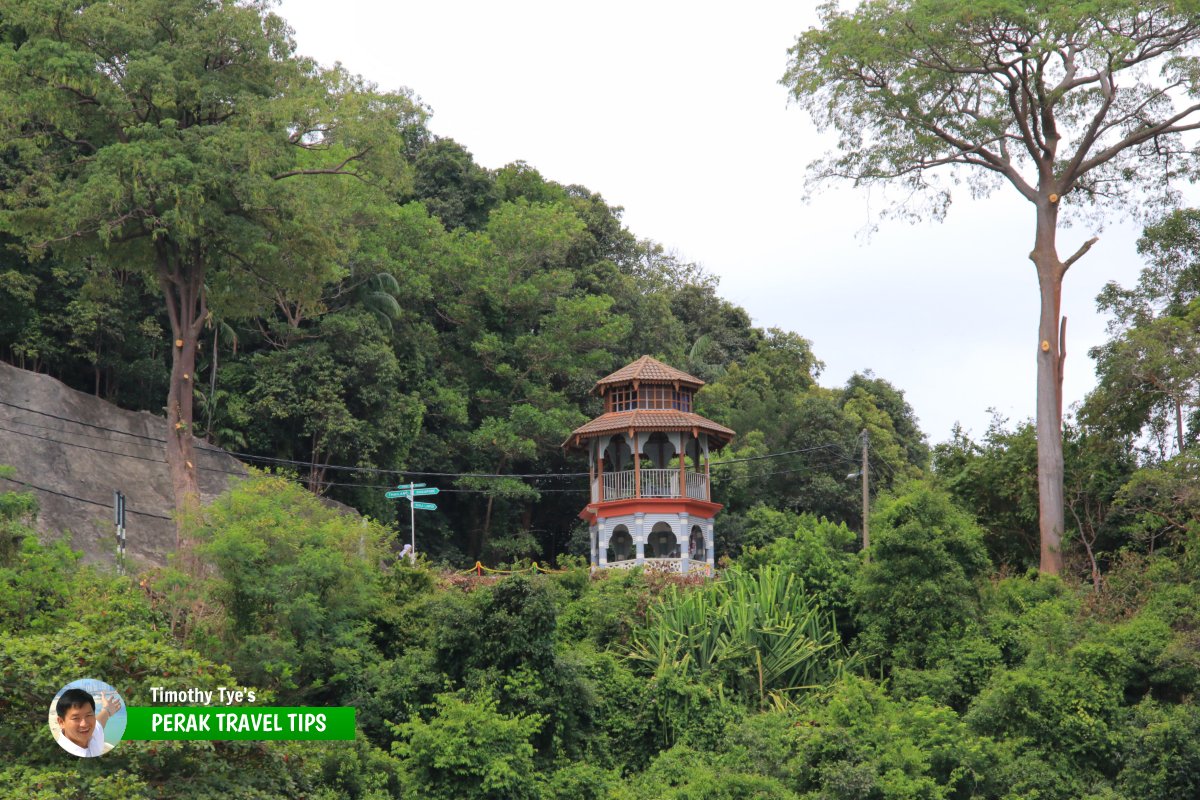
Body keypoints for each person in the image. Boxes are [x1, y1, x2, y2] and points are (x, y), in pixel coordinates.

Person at [54, 687, 121, 757]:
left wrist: (107, 710)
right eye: (76, 718)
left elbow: (99, 722)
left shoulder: (93, 734)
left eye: (88, 715)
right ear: (61, 722)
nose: (84, 724)